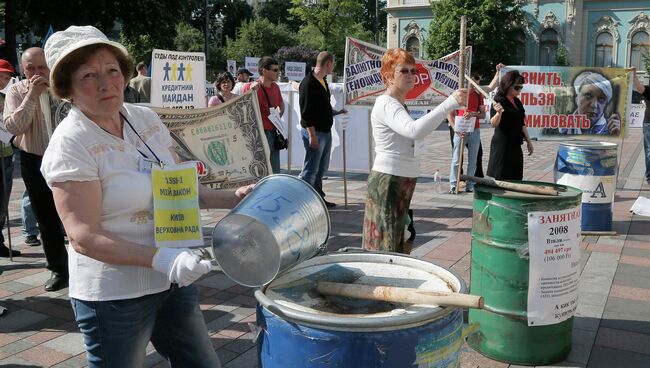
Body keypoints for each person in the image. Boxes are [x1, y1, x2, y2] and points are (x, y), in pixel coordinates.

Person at [42, 25, 255, 368]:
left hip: (171, 283)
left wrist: (234, 197)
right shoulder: (71, 143)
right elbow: (83, 237)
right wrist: (165, 260)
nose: (105, 83)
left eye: (112, 70)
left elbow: (180, 190)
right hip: (114, 297)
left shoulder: (144, 119)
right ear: (66, 89)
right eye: (88, 76)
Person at [362, 48, 466, 254]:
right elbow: (413, 131)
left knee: (400, 242)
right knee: (385, 247)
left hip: (401, 178)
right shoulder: (386, 103)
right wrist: (449, 103)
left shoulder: (397, 103)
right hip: (389, 179)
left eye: (414, 71)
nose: (411, 75)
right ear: (388, 76)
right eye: (404, 71)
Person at [4, 47, 68, 290]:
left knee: (76, 213)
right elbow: (13, 127)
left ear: (50, 66)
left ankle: (89, 263)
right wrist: (32, 95)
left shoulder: (62, 88)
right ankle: (59, 269)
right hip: (35, 159)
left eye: (42, 67)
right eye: (30, 68)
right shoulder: (17, 91)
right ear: (22, 68)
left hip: (67, 158)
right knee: (46, 218)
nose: (37, 72)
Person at [298, 51, 346, 208]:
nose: (333, 68)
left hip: (325, 131)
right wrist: (312, 136)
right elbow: (306, 113)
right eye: (333, 65)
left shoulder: (322, 80)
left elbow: (322, 106)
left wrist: (337, 112)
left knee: (321, 168)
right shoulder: (308, 83)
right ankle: (304, 202)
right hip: (315, 132)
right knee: (311, 169)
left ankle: (318, 198)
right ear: (329, 63)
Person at [487, 70, 534, 181]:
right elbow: (493, 124)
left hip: (515, 144)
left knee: (516, 176)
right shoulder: (498, 100)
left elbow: (522, 123)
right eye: (516, 88)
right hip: (502, 145)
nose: (519, 91)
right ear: (508, 85)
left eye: (521, 88)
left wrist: (529, 142)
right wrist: (498, 113)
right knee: (502, 177)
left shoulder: (517, 102)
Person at [242, 57, 285, 174]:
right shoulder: (251, 87)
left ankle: (274, 191)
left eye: (278, 70)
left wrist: (277, 118)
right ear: (264, 71)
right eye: (275, 70)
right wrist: (251, 90)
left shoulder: (275, 87)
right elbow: (242, 107)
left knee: (275, 170)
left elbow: (281, 105)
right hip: (257, 135)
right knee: (259, 171)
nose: (278, 72)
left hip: (272, 133)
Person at [448, 73, 485, 193]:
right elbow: (450, 113)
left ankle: (470, 185)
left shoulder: (479, 95)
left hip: (474, 129)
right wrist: (455, 128)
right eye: (473, 84)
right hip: (460, 130)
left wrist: (473, 114)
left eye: (477, 85)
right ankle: (453, 185)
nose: (475, 87)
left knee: (473, 159)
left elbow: (483, 114)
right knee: (456, 158)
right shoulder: (458, 94)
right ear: (468, 82)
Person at [559, 70, 620, 135]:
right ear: (577, 98)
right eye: (588, 95)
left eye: (601, 99)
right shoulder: (560, 126)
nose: (594, 105)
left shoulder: (611, 129)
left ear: (605, 104)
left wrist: (616, 135)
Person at [0, 59, 19, 257]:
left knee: (3, 202)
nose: (3, 80)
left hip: (7, 152)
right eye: (0, 76)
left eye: (6, 77)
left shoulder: (10, 96)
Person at [632, 70, 650, 185]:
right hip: (649, 124)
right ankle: (649, 177)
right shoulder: (648, 90)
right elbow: (639, 87)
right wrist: (633, 75)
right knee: (649, 151)